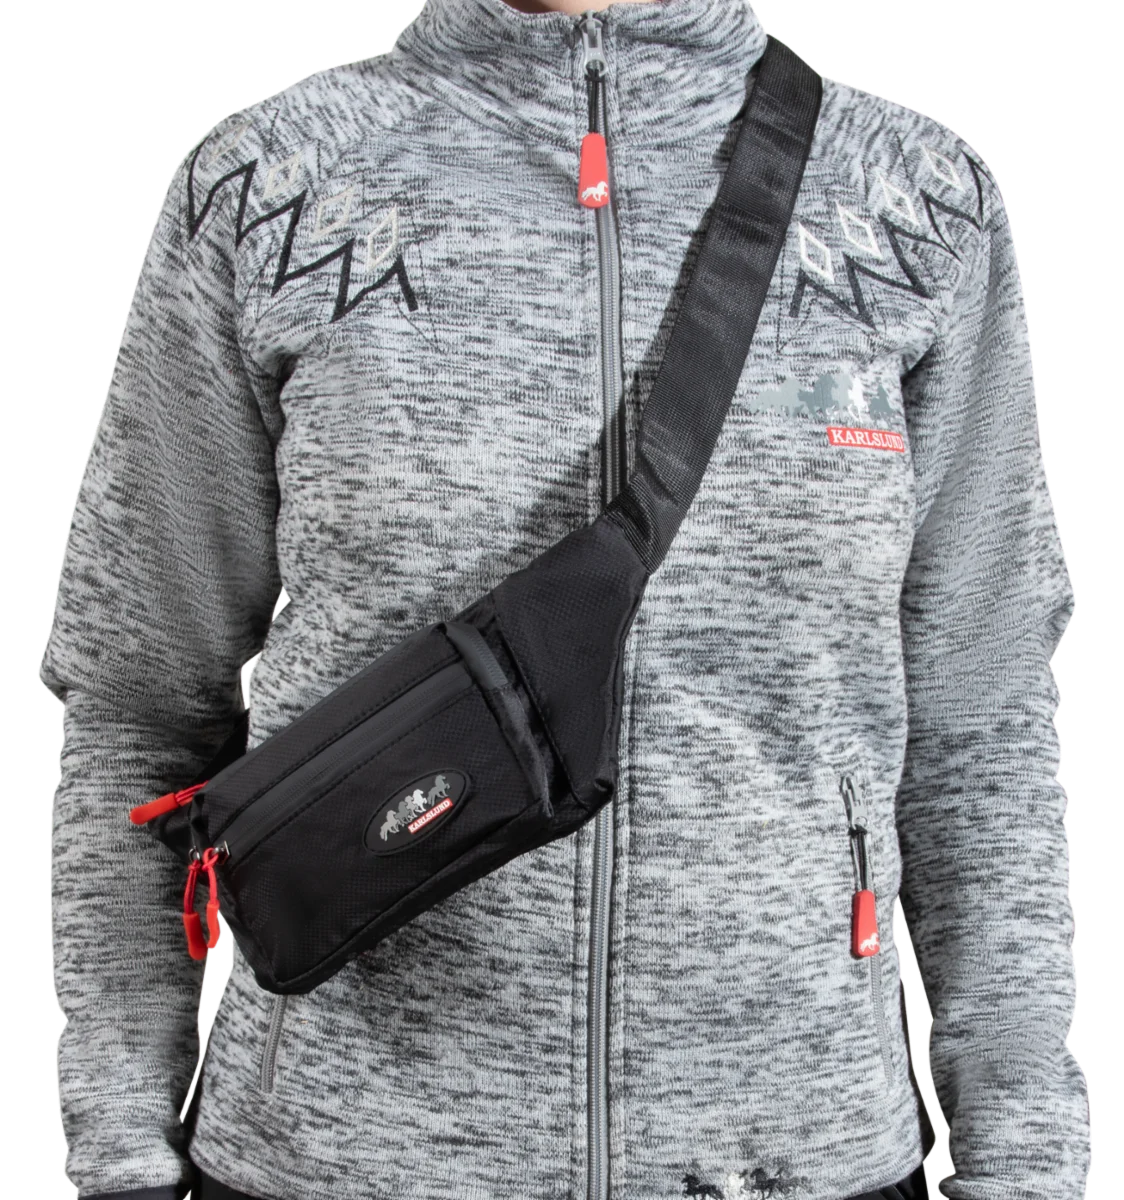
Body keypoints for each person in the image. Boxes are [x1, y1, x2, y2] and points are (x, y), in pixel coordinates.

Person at [44, 0, 1090, 1197]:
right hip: (337, 1155)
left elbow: (980, 723)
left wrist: (1020, 1153)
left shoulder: (914, 200)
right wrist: (120, 1140)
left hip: (796, 1150)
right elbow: (138, 703)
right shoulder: (270, 185)